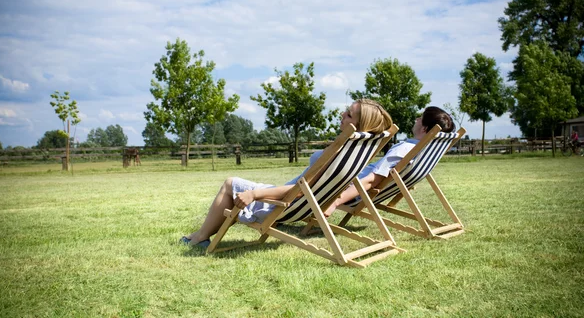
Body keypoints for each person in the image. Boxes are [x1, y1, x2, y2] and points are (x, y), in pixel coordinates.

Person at [181, 98, 393, 247]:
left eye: (348, 114)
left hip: (282, 203)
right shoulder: (355, 152)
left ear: (359, 125)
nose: (342, 115)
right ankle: (199, 235)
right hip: (301, 205)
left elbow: (300, 190)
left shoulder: (338, 151)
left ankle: (200, 237)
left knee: (230, 183)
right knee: (238, 185)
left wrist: (254, 195)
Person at [324, 105, 455, 217]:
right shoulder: (423, 153)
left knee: (319, 158)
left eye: (420, 118)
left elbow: (372, 179)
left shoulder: (404, 150)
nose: (416, 119)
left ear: (424, 129)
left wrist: (335, 202)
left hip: (349, 188)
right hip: (356, 187)